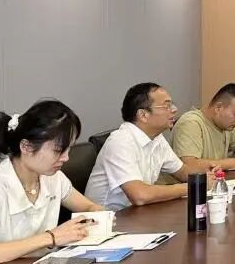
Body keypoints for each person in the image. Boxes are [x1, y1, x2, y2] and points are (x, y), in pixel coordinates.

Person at [0, 100, 104, 264]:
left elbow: (89, 207)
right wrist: (51, 237)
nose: (66, 158)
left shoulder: (52, 178)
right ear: (26, 147)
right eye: (58, 150)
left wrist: (98, 216)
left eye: (69, 149)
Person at [85, 83, 216, 211]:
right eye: (167, 106)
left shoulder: (156, 138)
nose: (174, 109)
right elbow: (140, 195)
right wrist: (192, 186)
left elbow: (182, 172)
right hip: (108, 219)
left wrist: (205, 177)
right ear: (143, 115)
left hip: (136, 214)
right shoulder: (120, 141)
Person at [169, 83, 235, 174]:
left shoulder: (227, 125)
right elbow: (190, 166)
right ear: (218, 108)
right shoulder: (190, 123)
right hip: (188, 183)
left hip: (215, 181)